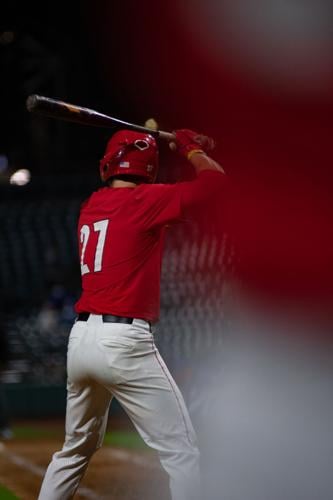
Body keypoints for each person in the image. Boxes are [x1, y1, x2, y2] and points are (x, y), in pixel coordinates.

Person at [38, 128, 225, 500]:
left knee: (73, 451)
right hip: (124, 342)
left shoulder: (92, 203)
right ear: (149, 168)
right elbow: (216, 185)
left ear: (109, 164)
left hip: (81, 342)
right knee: (181, 452)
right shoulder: (146, 200)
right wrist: (189, 149)